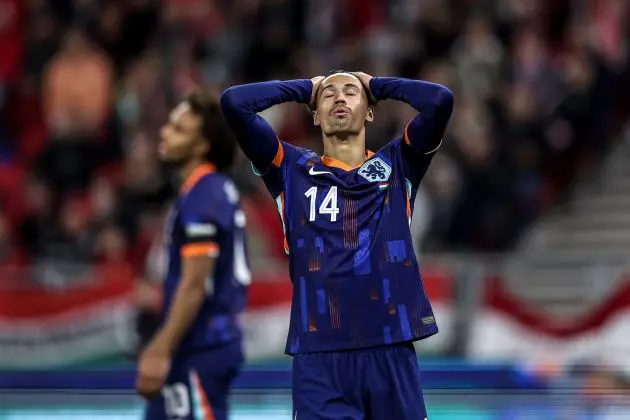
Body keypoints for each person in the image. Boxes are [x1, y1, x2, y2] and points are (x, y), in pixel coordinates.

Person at [220, 71, 453, 419]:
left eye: (351, 93)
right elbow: (234, 104)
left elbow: (440, 101)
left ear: (369, 111)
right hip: (320, 358)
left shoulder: (398, 164)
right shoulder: (291, 169)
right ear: (315, 113)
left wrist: (376, 85)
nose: (340, 99)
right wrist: (305, 89)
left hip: (391, 348)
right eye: (329, 95)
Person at [136, 89, 250, 420]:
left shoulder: (204, 196)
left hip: (200, 345)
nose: (164, 132)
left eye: (178, 128)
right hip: (196, 344)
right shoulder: (207, 191)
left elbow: (195, 284)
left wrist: (160, 347)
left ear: (201, 146)